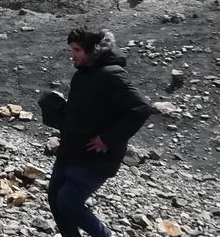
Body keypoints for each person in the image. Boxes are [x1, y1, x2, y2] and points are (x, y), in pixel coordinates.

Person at [47, 28, 162, 237]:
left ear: (93, 51)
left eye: (77, 50)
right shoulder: (83, 74)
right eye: (71, 49)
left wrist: (107, 139)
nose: (71, 55)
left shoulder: (112, 74)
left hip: (96, 157)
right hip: (71, 150)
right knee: (55, 198)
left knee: (68, 201)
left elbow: (141, 108)